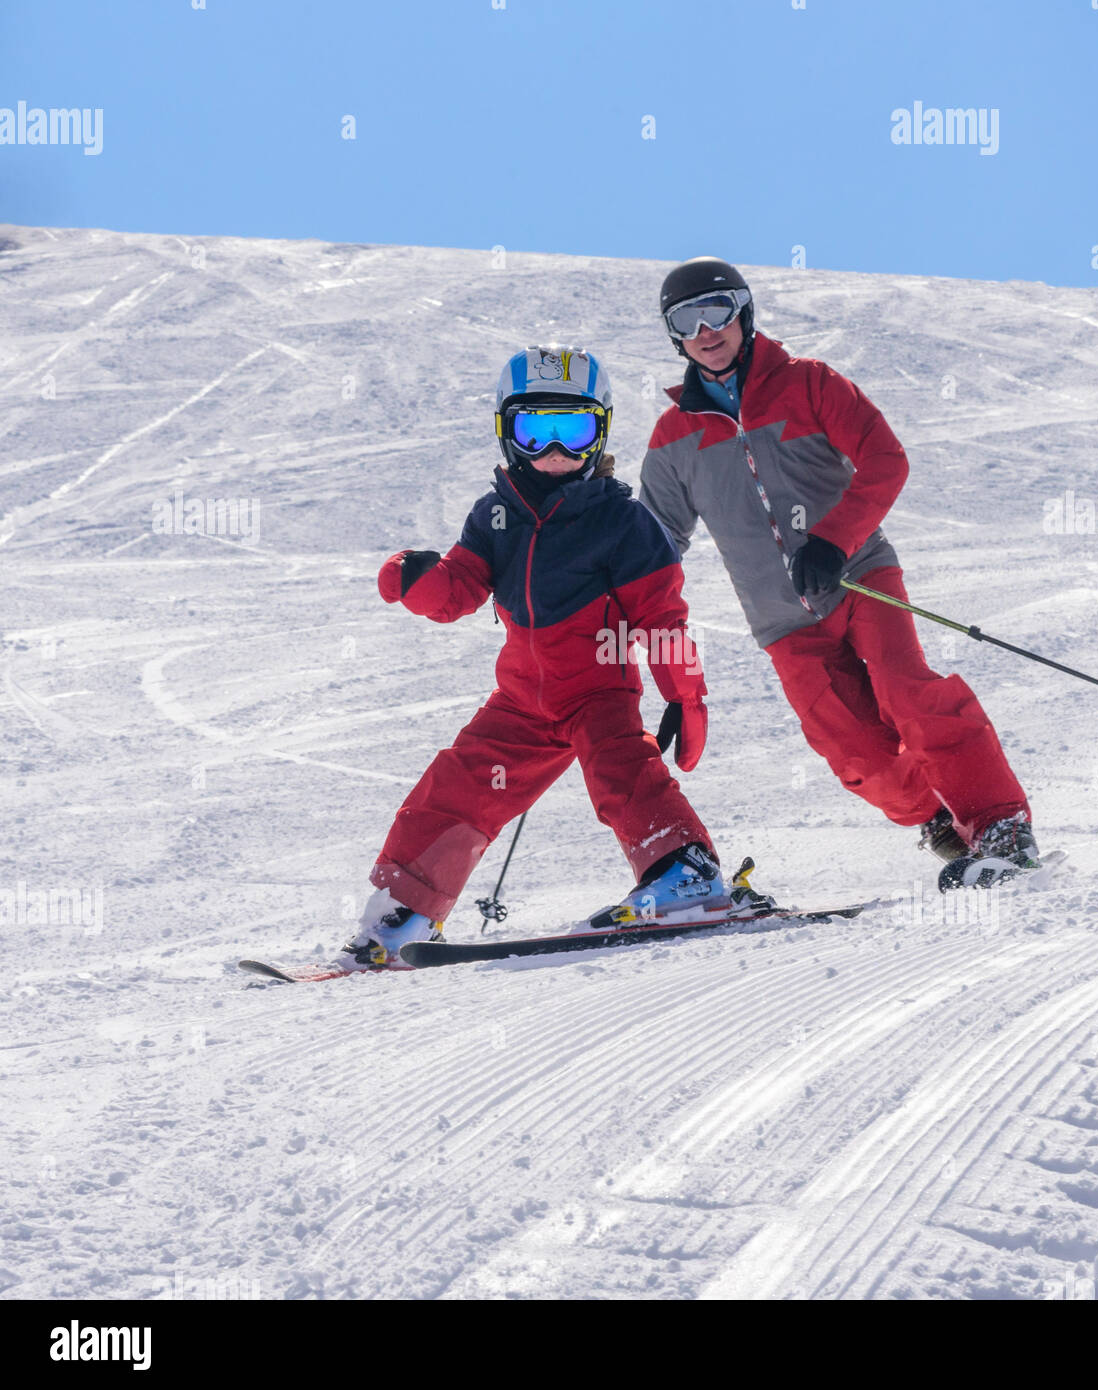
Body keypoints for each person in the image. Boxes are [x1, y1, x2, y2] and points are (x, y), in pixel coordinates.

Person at [638, 258, 1038, 880]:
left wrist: (833, 539)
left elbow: (886, 459)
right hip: (781, 619)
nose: (705, 330)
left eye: (717, 310)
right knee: (852, 748)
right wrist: (605, 585)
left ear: (743, 313)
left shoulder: (810, 384)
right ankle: (937, 821)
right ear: (674, 336)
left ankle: (999, 824)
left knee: (908, 694)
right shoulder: (673, 437)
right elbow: (656, 540)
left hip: (857, 577)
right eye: (685, 320)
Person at [340, 345, 737, 971]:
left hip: (596, 691)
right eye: (535, 429)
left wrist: (685, 696)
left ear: (599, 430)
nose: (554, 449)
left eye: (573, 430)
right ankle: (403, 910)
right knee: (459, 786)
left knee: (620, 771)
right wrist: (419, 583)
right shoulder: (495, 516)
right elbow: (460, 591)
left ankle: (684, 873)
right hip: (521, 702)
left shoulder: (623, 522)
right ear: (506, 432)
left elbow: (663, 620)